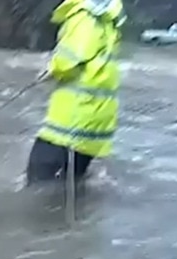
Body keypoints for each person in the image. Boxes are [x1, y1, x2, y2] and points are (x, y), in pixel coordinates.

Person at [25, 0, 126, 186]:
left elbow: (69, 60)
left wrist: (51, 70)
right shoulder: (107, 18)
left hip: (73, 119)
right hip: (94, 122)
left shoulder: (84, 15)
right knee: (70, 185)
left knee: (37, 181)